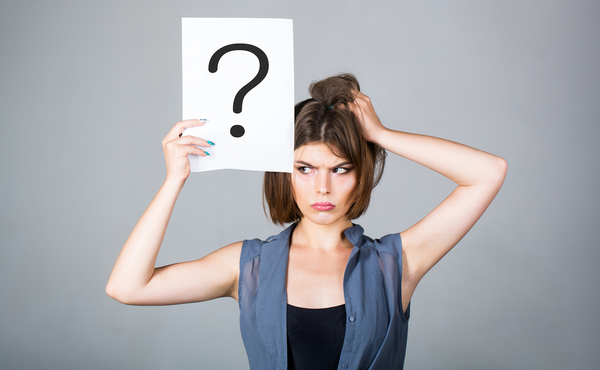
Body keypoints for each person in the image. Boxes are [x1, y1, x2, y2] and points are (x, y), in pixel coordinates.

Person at [106, 74, 507, 369]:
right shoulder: (250, 267)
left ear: (360, 174)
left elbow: (488, 172)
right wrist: (174, 179)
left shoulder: (395, 264)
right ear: (285, 173)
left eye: (340, 169)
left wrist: (380, 135)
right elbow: (128, 286)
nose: (322, 188)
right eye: (305, 168)